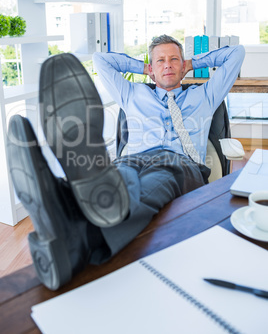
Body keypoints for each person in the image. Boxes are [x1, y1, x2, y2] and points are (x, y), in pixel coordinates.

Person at [7, 35, 245, 290]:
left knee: (155, 178)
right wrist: (142, 68)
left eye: (174, 59)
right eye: (160, 61)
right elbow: (101, 60)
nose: (168, 65)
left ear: (183, 65)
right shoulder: (132, 93)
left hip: (182, 164)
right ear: (151, 69)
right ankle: (66, 213)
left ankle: (62, 198)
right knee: (120, 174)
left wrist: (192, 62)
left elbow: (237, 53)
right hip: (132, 159)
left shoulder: (206, 95)